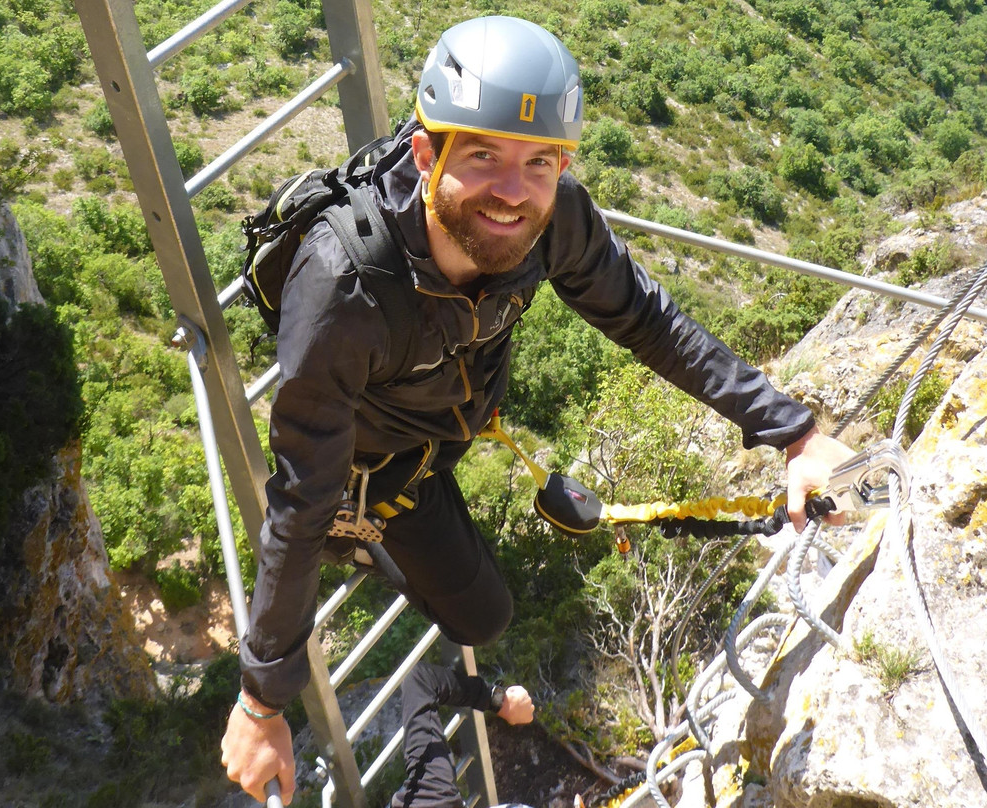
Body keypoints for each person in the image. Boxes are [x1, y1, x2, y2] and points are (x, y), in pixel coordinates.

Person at [221, 15, 854, 804]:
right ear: (426, 154)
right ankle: (362, 529)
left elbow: (647, 320)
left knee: (483, 621)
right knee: (435, 590)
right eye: (483, 156)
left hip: (437, 443)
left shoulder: (553, 219)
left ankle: (375, 536)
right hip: (365, 466)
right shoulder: (342, 289)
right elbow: (299, 491)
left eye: (540, 163)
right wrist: (262, 699)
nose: (513, 193)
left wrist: (791, 432)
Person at [391, 661, 534, 808]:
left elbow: (419, 680)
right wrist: (498, 701)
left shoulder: (433, 790)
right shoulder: (432, 791)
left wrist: (499, 701)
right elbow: (419, 680)